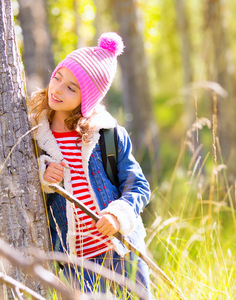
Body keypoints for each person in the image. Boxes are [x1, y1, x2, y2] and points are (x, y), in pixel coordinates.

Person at [29, 32, 151, 297]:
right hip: (76, 263)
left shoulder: (107, 134)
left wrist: (117, 216)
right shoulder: (35, 134)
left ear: (88, 99)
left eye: (72, 87)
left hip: (121, 252)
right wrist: (43, 175)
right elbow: (21, 182)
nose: (58, 89)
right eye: (57, 77)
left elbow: (139, 186)